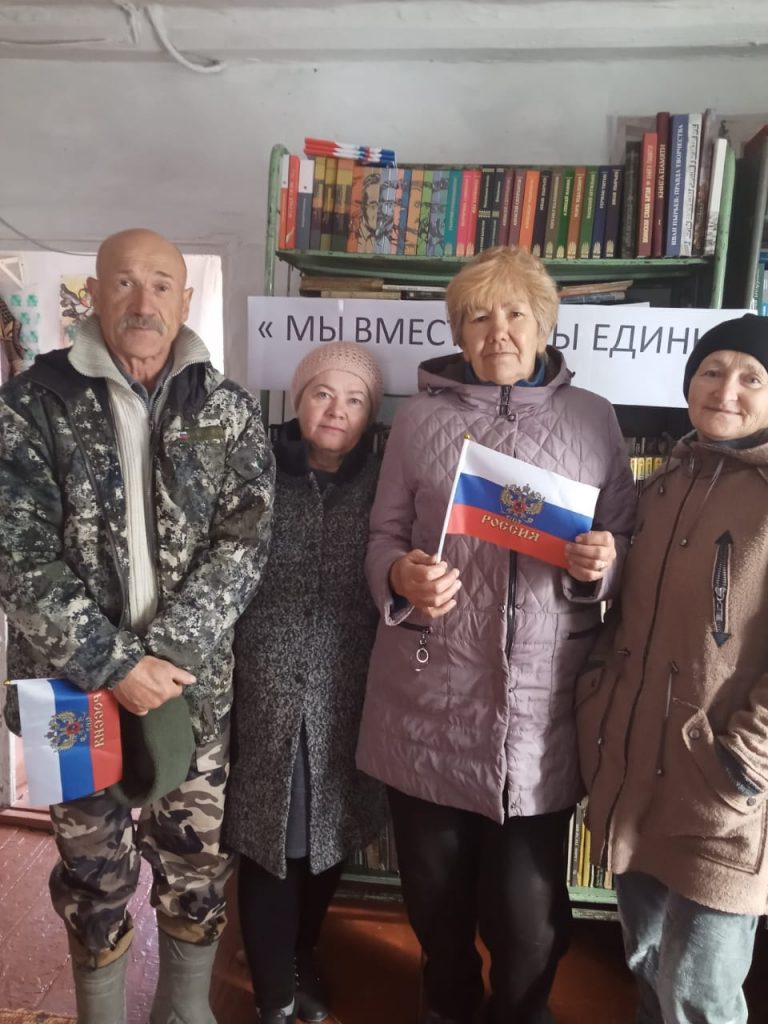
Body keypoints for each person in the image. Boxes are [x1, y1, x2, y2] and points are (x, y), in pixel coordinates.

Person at [355, 245, 637, 1024]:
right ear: (459, 332)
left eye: (515, 313)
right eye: (478, 317)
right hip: (428, 700)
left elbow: (626, 537)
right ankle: (447, 1005)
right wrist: (400, 576)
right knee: (436, 905)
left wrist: (602, 563)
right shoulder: (419, 420)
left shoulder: (593, 419)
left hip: (541, 711)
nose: (498, 331)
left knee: (529, 921)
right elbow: (381, 538)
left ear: (545, 325)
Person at [0, 228, 274, 1024]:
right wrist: (115, 665)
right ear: (94, 296)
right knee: (91, 867)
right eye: (123, 283)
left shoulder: (226, 409)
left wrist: (169, 655)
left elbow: (246, 543)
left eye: (160, 284)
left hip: (192, 688)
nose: (143, 301)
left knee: (195, 859)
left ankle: (184, 1009)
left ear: (184, 300)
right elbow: (17, 556)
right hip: (67, 690)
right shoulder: (31, 405)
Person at [577, 313, 768, 1024]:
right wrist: (596, 696)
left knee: (700, 990)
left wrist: (747, 761)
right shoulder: (656, 489)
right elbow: (622, 613)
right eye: (711, 371)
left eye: (751, 377)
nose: (726, 389)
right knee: (646, 960)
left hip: (723, 793)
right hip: (634, 773)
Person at [224, 342, 388, 1024]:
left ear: (371, 413)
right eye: (323, 393)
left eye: (354, 399)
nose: (337, 410)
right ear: (299, 400)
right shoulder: (254, 467)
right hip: (265, 687)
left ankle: (301, 950)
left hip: (351, 691)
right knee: (272, 838)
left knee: (330, 833)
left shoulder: (387, 481)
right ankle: (275, 993)